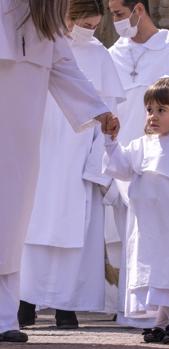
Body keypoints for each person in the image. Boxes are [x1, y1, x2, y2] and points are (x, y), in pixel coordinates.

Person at [0, 0, 118, 342]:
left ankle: (6, 318)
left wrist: (100, 112)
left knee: (10, 228)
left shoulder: (46, 19)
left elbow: (66, 69)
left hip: (21, 142)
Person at [107, 0, 169, 328]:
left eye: (119, 14)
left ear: (139, 10)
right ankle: (134, 310)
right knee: (133, 240)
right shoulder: (112, 53)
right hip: (132, 155)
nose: (115, 21)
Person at [103, 76, 169, 344]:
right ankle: (162, 321)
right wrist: (111, 143)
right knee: (153, 269)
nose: (153, 116)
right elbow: (121, 169)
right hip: (146, 224)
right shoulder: (141, 145)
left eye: (162, 110)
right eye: (150, 110)